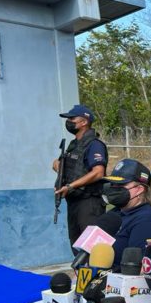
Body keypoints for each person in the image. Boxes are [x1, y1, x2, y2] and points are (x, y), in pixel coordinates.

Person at [53, 105, 108, 249]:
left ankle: (96, 273)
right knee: (77, 246)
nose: (69, 121)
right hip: (74, 202)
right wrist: (59, 168)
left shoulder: (94, 145)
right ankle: (81, 272)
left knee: (92, 248)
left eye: (72, 118)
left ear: (84, 122)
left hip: (89, 203)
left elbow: (98, 172)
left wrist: (71, 186)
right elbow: (59, 164)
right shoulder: (73, 145)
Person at [101, 159, 151, 266]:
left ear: (139, 189)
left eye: (120, 185)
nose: (114, 189)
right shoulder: (113, 215)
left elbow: (136, 269)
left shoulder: (147, 222)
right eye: (113, 184)